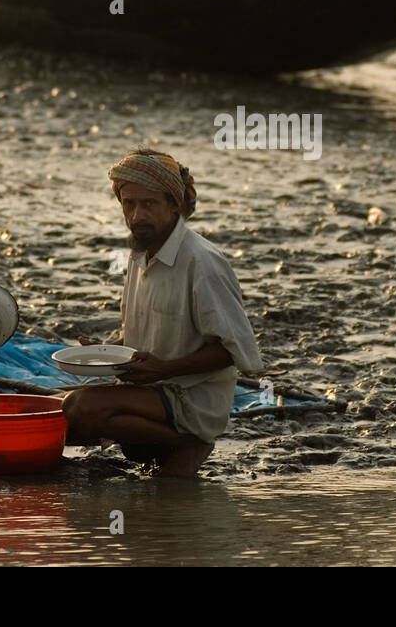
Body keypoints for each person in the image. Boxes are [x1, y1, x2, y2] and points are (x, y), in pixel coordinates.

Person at [62, 149, 264, 478]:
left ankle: (187, 444)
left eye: (149, 204)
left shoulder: (201, 261)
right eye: (130, 204)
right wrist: (105, 350)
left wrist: (165, 369)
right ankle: (156, 453)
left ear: (175, 206)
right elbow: (146, 333)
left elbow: (234, 351)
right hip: (152, 389)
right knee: (50, 409)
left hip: (192, 397)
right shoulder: (140, 252)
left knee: (81, 407)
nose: (137, 215)